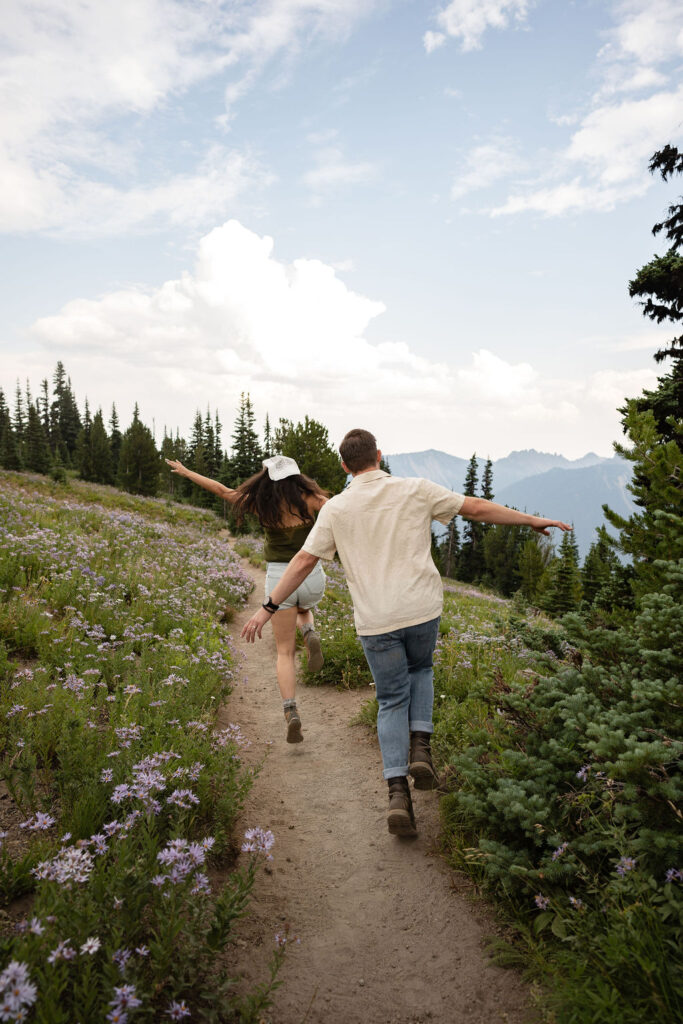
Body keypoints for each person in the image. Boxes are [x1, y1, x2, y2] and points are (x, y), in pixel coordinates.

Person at [241, 428, 572, 836]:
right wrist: (530, 520)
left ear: (345, 466)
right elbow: (477, 508)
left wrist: (268, 607)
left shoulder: (337, 509)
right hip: (420, 609)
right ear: (379, 455)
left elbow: (303, 561)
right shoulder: (415, 489)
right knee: (422, 672)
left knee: (391, 699)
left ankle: (398, 793)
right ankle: (422, 748)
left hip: (376, 620)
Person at [166, 454, 328, 743]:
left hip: (279, 580)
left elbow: (221, 490)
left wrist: (188, 472)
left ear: (268, 476)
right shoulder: (313, 498)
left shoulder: (260, 502)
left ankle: (291, 710)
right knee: (306, 605)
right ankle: (310, 631)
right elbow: (343, 513)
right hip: (311, 573)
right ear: (296, 475)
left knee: (284, 652)